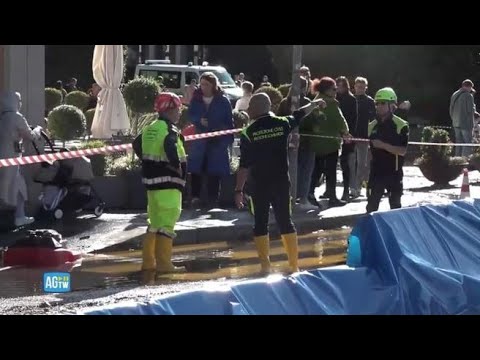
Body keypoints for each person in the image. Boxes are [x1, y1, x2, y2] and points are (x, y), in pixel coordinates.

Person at [234, 93, 325, 274]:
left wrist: (238, 190)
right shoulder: (282, 124)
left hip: (259, 185)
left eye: (250, 107)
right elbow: (299, 114)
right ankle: (293, 265)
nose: (248, 110)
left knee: (260, 222)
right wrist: (314, 104)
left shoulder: (248, 133)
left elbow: (244, 166)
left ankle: (265, 266)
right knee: (285, 221)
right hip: (282, 182)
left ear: (255, 109)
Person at [132, 92, 187, 278]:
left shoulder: (150, 127)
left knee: (153, 223)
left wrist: (148, 163)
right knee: (167, 223)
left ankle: (148, 263)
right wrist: (176, 167)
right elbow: (170, 146)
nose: (179, 112)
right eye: (178, 108)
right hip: (169, 183)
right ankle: (164, 264)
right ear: (170, 110)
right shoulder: (170, 130)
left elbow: (136, 144)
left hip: (152, 184)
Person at [187, 72, 234, 208]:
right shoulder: (196, 99)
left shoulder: (223, 100)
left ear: (213, 85)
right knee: (196, 169)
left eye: (206, 84)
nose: (203, 87)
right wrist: (199, 120)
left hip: (217, 140)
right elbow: (190, 114)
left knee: (214, 171)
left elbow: (228, 121)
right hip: (200, 140)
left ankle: (213, 199)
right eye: (201, 84)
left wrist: (224, 138)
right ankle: (195, 197)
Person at [0, 91, 43, 227]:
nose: (20, 104)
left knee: (16, 186)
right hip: (12, 158)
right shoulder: (17, 117)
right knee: (11, 187)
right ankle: (17, 216)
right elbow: (30, 136)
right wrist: (38, 130)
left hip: (6, 157)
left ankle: (19, 215)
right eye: (19, 101)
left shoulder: (3, 118)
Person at [366, 87, 409, 213]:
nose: (379, 106)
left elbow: (402, 150)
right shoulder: (372, 125)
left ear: (391, 105)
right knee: (371, 208)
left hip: (393, 173)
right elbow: (370, 151)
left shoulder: (401, 125)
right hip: (376, 173)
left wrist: (383, 145)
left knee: (395, 208)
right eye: (377, 103)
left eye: (383, 103)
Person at [352, 76, 376, 198]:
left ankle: (358, 187)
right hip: (350, 136)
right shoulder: (351, 99)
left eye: (362, 87)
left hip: (364, 136)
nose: (360, 89)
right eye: (358, 87)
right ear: (354, 87)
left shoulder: (369, 101)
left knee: (362, 163)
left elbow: (373, 120)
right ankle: (352, 186)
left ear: (366, 88)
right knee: (351, 163)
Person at [449, 79, 476, 157]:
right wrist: (474, 106)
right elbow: (470, 110)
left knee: (458, 143)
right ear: (469, 87)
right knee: (467, 143)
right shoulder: (468, 95)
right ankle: (465, 160)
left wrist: (453, 119)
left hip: (456, 122)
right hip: (466, 124)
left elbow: (451, 109)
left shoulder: (454, 94)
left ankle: (457, 160)